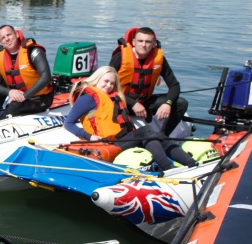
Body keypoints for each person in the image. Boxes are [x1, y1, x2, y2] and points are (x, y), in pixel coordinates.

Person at [64, 66, 196, 170]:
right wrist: (89, 137)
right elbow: (68, 124)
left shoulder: (111, 96)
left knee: (158, 136)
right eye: (105, 81)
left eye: (112, 83)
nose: (109, 86)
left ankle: (191, 163)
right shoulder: (87, 99)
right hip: (106, 143)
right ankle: (168, 167)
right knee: (145, 131)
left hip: (121, 138)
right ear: (97, 79)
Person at [108, 26, 188, 137]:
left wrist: (167, 104)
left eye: (148, 41)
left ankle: (162, 136)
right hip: (120, 102)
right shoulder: (120, 57)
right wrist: (133, 103)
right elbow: (106, 88)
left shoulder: (159, 59)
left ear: (154, 43)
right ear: (134, 42)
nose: (143, 45)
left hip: (145, 103)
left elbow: (174, 85)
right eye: (140, 41)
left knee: (181, 103)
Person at [0, 24, 54, 118]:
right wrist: (10, 92)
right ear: (0, 42)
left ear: (16, 34)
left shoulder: (32, 51)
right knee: (1, 85)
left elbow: (46, 77)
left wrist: (24, 96)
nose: (7, 39)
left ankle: (1, 119)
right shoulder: (3, 57)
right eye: (3, 38)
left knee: (14, 105)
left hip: (40, 98)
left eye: (9, 35)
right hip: (19, 96)